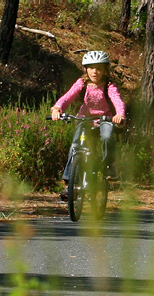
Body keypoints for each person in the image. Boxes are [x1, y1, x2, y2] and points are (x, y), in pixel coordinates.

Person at [51, 50, 126, 200]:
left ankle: (109, 165)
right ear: (86, 69)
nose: (95, 71)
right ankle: (69, 183)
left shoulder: (109, 86)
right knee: (75, 146)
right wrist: (57, 108)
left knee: (107, 136)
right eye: (91, 67)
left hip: (104, 119)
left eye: (99, 68)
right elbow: (68, 97)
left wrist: (120, 115)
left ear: (105, 69)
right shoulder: (82, 83)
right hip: (84, 120)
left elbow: (118, 101)